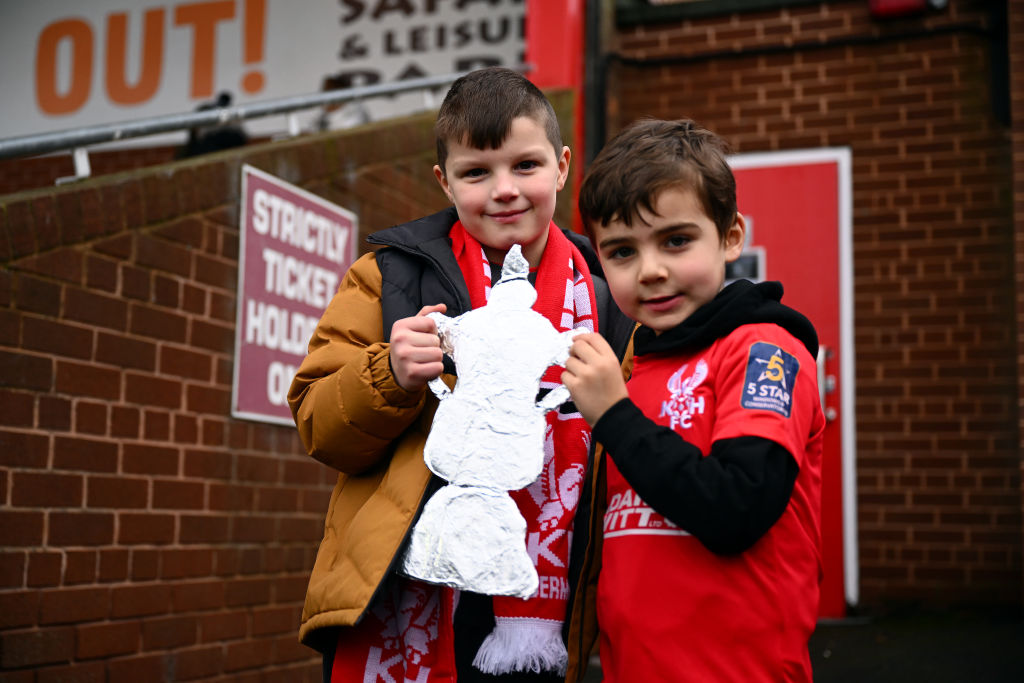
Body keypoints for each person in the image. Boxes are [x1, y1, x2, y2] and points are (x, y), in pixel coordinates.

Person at [288, 66, 632, 683]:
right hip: (413, 586)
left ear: (561, 166)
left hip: (542, 610)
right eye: (478, 172)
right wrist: (388, 374)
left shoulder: (610, 301)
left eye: (525, 166)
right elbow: (319, 424)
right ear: (446, 183)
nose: (504, 189)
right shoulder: (389, 275)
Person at [561, 118, 825, 682]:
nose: (651, 270)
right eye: (622, 251)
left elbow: (738, 508)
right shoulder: (635, 365)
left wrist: (613, 415)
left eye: (676, 241)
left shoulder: (765, 352)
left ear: (731, 237)